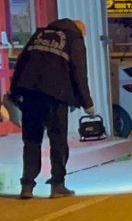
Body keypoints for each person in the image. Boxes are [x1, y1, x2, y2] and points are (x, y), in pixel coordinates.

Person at [8, 18, 94, 199]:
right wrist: (87, 103)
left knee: (31, 140)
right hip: (56, 96)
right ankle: (57, 185)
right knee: (58, 141)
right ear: (79, 31)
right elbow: (79, 72)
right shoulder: (74, 38)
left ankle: (27, 186)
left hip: (31, 93)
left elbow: (22, 61)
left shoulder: (39, 34)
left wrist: (15, 91)